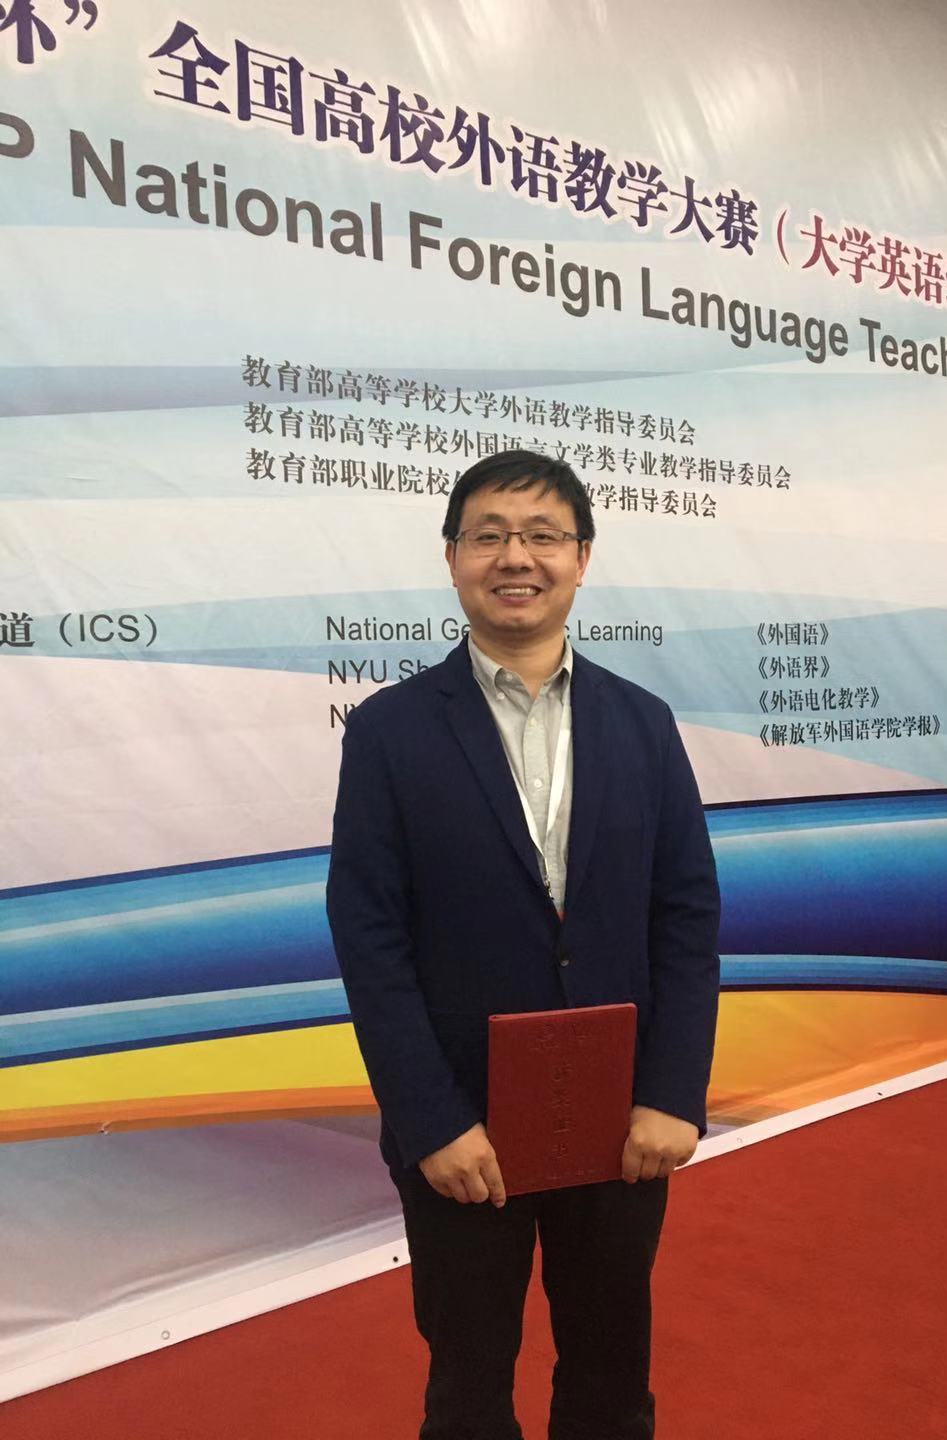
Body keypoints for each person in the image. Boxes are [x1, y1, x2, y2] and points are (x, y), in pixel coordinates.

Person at [327, 449, 720, 1440]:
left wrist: (673, 1093)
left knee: (610, 1378)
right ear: (453, 557)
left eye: (544, 536)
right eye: (490, 535)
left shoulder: (644, 724)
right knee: (467, 1386)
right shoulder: (389, 733)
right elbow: (369, 938)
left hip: (619, 1122)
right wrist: (431, 1122)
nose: (517, 557)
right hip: (466, 1131)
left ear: (581, 558)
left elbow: (685, 916)